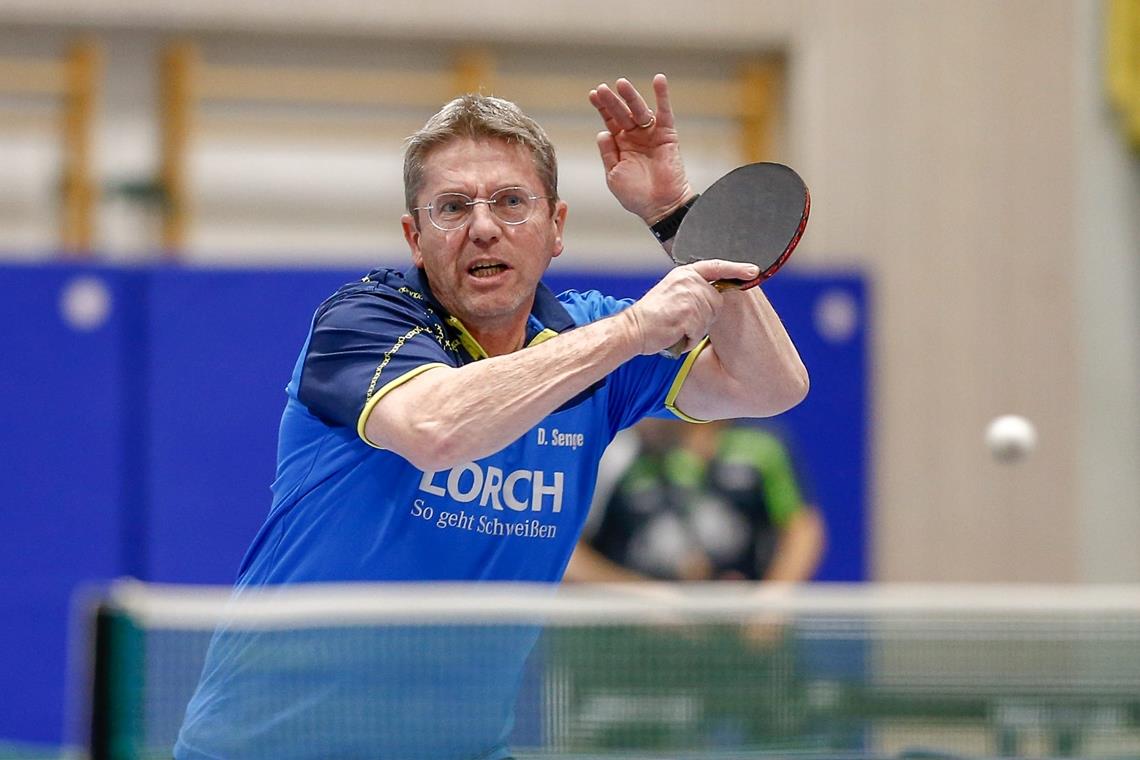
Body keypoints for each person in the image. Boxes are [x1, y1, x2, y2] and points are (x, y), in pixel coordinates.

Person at [174, 75, 808, 760]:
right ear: (415, 238)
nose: (483, 227)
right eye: (453, 207)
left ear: (555, 228)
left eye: (511, 202)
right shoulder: (362, 323)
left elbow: (769, 384)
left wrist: (679, 218)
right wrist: (630, 332)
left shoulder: (588, 339)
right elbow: (438, 430)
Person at [566, 417, 825, 584]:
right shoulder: (612, 455)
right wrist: (639, 597)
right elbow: (569, 555)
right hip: (636, 645)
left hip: (741, 635)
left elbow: (802, 530)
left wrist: (770, 603)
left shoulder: (759, 446)